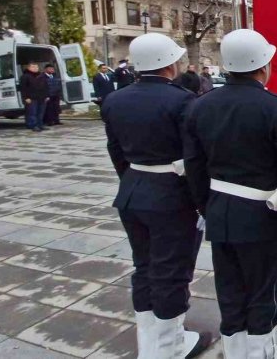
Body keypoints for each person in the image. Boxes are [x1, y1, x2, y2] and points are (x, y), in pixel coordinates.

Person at [183, 30, 277, 358]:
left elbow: (195, 167)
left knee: (230, 291)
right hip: (264, 215)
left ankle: (236, 353)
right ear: (264, 66)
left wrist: (207, 207)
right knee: (264, 291)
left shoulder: (200, 106)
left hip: (220, 210)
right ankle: (262, 353)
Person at [101, 33, 210, 358]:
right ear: (169, 64)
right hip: (171, 196)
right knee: (171, 271)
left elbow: (116, 151)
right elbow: (194, 157)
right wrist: (200, 201)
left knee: (145, 268)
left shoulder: (115, 100)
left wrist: (135, 179)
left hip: (133, 191)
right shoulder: (181, 101)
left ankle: (150, 344)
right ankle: (170, 347)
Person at [21, 62, 49, 132]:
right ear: (29, 68)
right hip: (31, 98)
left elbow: (46, 86)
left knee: (41, 112)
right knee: (32, 112)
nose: (35, 68)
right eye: (33, 67)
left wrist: (47, 96)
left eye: (36, 67)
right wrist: (26, 98)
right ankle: (33, 125)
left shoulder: (41, 76)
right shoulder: (25, 76)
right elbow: (23, 88)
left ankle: (40, 124)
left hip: (41, 97)